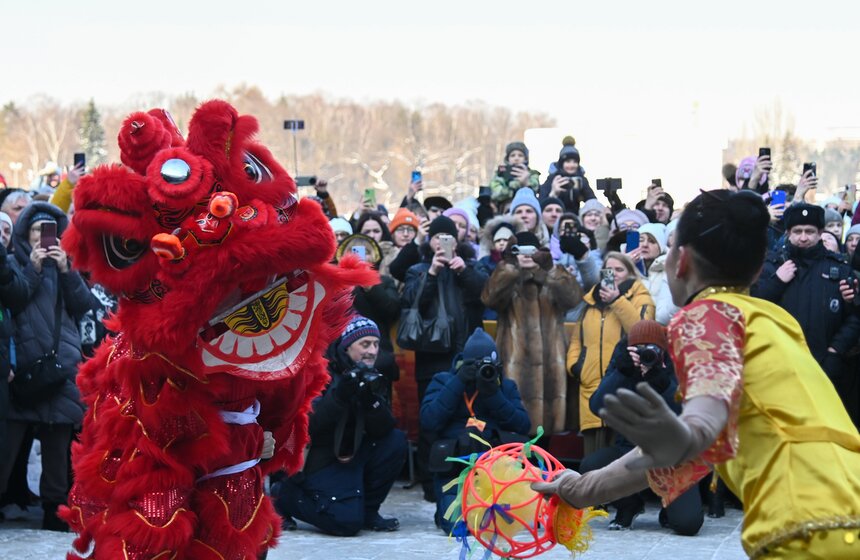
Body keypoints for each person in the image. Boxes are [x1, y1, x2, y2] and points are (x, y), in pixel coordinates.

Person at [534, 189, 860, 559]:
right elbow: (681, 447)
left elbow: (701, 423)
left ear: (680, 261)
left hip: (805, 523)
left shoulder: (704, 315)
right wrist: (581, 489)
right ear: (757, 270)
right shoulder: (776, 318)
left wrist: (691, 431)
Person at [0, 202, 96, 531]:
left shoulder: (66, 267)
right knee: (8, 443)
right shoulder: (12, 262)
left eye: (51, 231)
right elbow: (14, 299)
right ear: (26, 234)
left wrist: (67, 270)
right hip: (22, 368)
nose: (45, 238)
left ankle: (54, 511)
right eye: (38, 231)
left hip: (59, 369)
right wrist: (34, 268)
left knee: (58, 447)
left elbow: (84, 306)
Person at [274, 316, 407, 535]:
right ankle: (284, 496)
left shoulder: (372, 375)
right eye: (365, 344)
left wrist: (370, 401)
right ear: (346, 347)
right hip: (322, 459)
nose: (373, 351)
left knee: (395, 441)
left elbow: (384, 428)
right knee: (346, 523)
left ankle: (368, 511)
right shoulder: (321, 373)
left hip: (353, 454)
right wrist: (340, 397)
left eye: (376, 344)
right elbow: (307, 425)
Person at [582, 320, 702, 535]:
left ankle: (669, 508)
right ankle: (629, 505)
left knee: (688, 524)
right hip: (628, 451)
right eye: (639, 349)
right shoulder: (623, 363)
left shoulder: (677, 360)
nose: (646, 354)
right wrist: (622, 373)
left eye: (652, 349)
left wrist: (663, 382)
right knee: (591, 466)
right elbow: (597, 405)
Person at [402, 215, 488, 500]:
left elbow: (485, 296)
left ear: (458, 241)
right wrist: (433, 273)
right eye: (438, 237)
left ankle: (469, 477)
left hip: (464, 355)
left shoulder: (471, 267)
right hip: (432, 358)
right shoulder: (418, 269)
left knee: (469, 418)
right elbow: (412, 302)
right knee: (432, 420)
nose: (443, 242)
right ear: (431, 241)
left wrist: (464, 272)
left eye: (448, 237)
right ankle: (430, 483)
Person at [751, 203, 860, 420]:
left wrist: (835, 351)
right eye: (797, 231)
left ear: (820, 234)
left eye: (810, 232)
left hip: (825, 366)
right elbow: (754, 307)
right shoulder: (772, 266)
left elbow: (854, 317)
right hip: (781, 367)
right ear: (788, 233)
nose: (803, 238)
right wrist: (777, 282)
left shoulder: (838, 267)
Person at [419, 328, 530, 533]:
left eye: (488, 365)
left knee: (498, 526)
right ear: (463, 362)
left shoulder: (505, 387)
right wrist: (459, 381)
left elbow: (523, 426)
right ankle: (447, 503)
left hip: (495, 470)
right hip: (455, 467)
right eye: (476, 365)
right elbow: (428, 421)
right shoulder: (443, 380)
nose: (483, 370)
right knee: (457, 526)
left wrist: (493, 394)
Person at [481, 232, 582, 434]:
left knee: (550, 448)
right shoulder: (508, 279)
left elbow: (573, 299)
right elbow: (489, 299)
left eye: (531, 250)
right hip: (515, 371)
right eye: (520, 250)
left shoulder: (551, 278)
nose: (526, 255)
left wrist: (551, 269)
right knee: (514, 441)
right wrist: (508, 266)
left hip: (551, 374)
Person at [566, 252, 655, 455]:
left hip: (625, 389)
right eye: (609, 270)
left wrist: (617, 300)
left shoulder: (642, 299)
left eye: (619, 270)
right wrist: (575, 367)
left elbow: (642, 331)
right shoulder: (590, 303)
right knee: (590, 464)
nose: (613, 274)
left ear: (630, 273)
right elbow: (576, 340)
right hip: (591, 389)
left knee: (618, 461)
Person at [630, 223, 680, 325]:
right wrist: (624, 264)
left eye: (652, 241)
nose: (644, 245)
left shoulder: (669, 270)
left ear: (660, 247)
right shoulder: (625, 268)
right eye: (640, 240)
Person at [539, 136, 595, 214]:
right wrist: (553, 193)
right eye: (568, 161)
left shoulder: (581, 180)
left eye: (575, 162)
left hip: (575, 216)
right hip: (556, 216)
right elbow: (541, 202)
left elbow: (591, 199)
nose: (572, 165)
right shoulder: (553, 179)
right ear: (562, 163)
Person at [489, 142, 541, 210]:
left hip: (528, 208)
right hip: (505, 209)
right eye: (512, 155)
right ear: (508, 159)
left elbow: (536, 190)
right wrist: (518, 183)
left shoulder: (532, 174)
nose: (516, 158)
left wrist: (526, 182)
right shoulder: (500, 174)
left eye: (520, 155)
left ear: (525, 159)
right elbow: (496, 194)